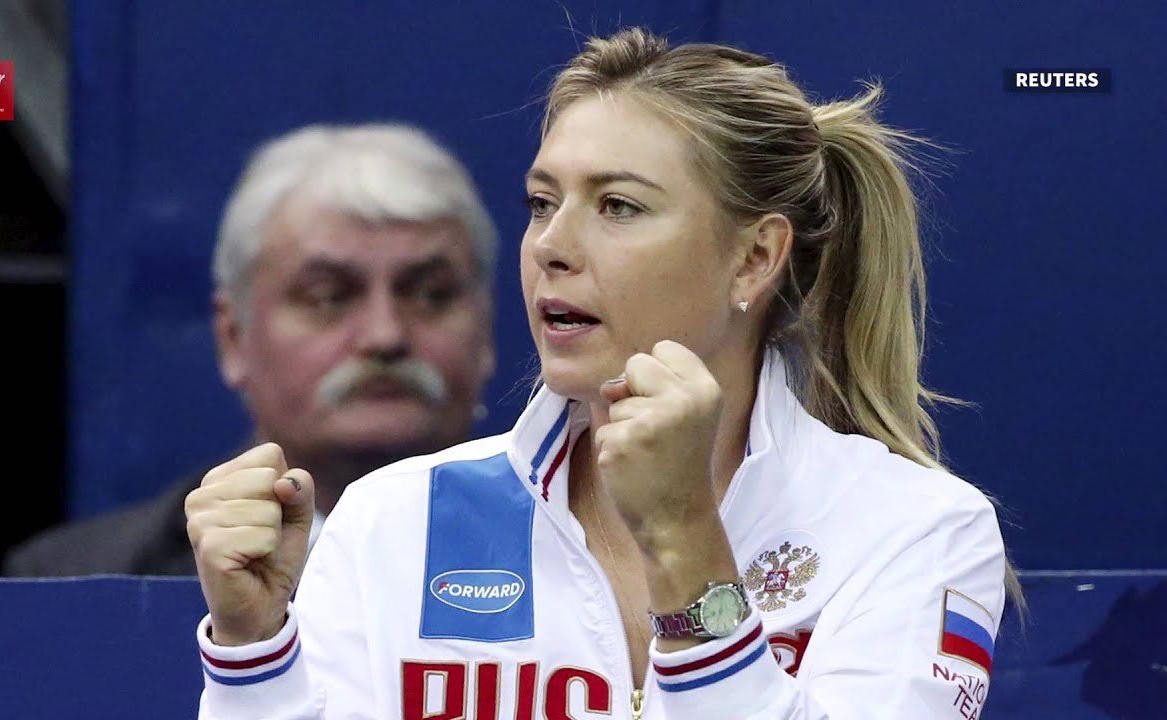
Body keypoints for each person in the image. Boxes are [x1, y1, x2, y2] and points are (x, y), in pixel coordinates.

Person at [187, 29, 1019, 719]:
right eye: (542, 203)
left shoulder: (913, 530)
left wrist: (687, 540)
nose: (552, 245)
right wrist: (254, 657)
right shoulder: (394, 521)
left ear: (754, 257)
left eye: (618, 205)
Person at [4, 123, 498, 576]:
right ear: (233, 338)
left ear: (486, 329)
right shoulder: (76, 577)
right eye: (327, 298)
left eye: (431, 295)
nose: (385, 336)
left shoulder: (549, 549)